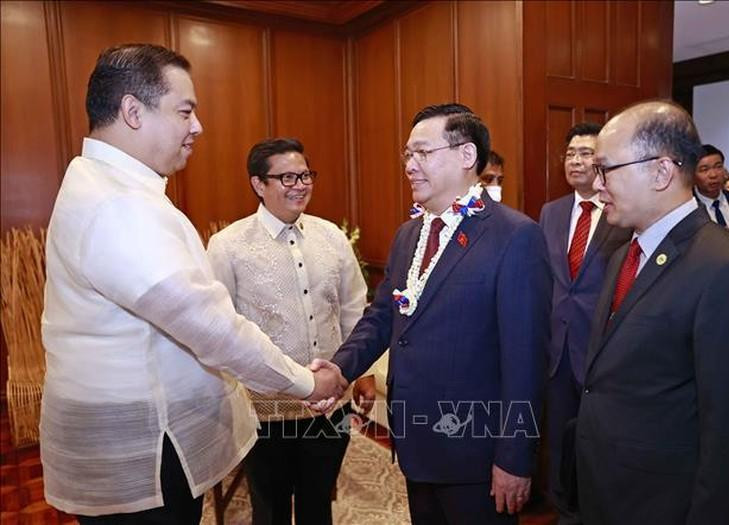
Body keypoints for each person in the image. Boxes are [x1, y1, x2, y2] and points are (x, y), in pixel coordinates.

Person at [40, 44, 345, 524]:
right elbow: (207, 324)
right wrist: (306, 382)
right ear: (133, 111)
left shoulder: (104, 185)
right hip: (144, 451)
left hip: (144, 443)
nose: (197, 126)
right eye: (185, 111)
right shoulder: (117, 206)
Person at [322, 103, 552, 525]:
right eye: (407, 154)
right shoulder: (409, 234)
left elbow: (526, 361)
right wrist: (340, 370)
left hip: (476, 454)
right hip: (416, 441)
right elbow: (383, 317)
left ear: (467, 156)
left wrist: (515, 458)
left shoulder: (515, 236)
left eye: (422, 153)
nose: (410, 165)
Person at [576, 100, 729, 524]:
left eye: (605, 169)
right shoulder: (623, 254)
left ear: (661, 171)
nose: (596, 186)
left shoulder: (728, 269)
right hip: (608, 492)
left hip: (665, 505)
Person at [206, 137, 370, 525]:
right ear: (258, 184)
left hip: (330, 404)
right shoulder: (227, 247)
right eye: (287, 177)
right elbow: (220, 327)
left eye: (305, 175)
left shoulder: (332, 237)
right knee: (271, 509)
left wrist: (360, 373)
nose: (300, 185)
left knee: (318, 506)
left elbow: (353, 308)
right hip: (265, 409)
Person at [538, 122, 631, 524]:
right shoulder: (551, 212)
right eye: (571, 153)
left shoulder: (623, 213)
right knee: (558, 441)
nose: (577, 161)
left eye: (587, 153)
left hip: (602, 351)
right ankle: (563, 509)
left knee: (601, 443)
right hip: (556, 350)